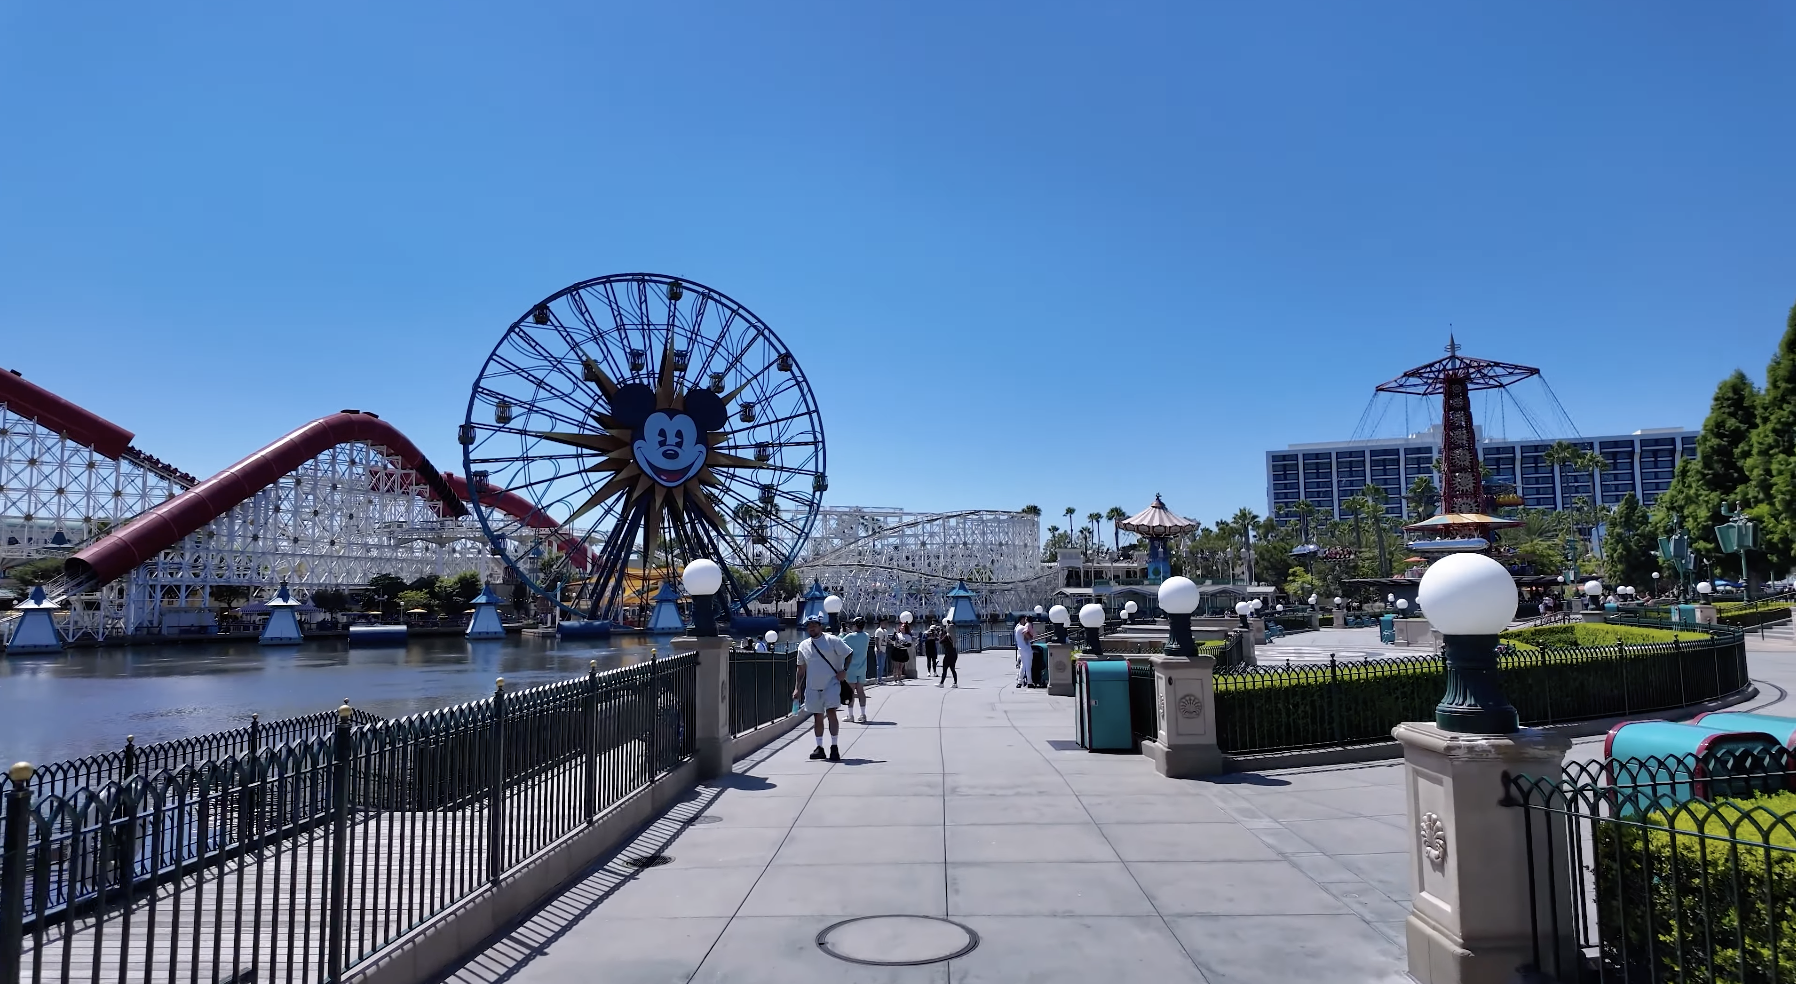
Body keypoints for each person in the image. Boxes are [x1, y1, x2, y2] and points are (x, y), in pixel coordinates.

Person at [792, 614, 853, 761]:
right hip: (813, 687)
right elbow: (801, 669)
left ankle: (834, 747)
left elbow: (849, 653)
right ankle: (819, 748)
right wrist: (797, 688)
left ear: (820, 626)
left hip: (831, 684)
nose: (811, 627)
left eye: (814, 624)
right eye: (809, 625)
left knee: (831, 712)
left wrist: (844, 671)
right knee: (817, 717)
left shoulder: (832, 640)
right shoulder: (803, 646)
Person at [842, 616, 871, 722]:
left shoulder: (849, 637)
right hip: (862, 668)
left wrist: (843, 633)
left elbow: (839, 642)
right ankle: (863, 714)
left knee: (850, 692)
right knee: (861, 691)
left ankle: (851, 715)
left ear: (855, 625)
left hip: (851, 668)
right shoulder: (866, 636)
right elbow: (858, 637)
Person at [888, 619, 914, 685]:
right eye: (901, 627)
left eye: (903, 627)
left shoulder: (908, 636)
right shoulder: (897, 634)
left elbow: (909, 644)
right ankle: (895, 680)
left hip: (903, 650)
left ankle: (899, 679)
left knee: (900, 666)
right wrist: (894, 634)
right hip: (897, 650)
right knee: (895, 666)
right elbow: (892, 639)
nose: (901, 628)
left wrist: (902, 644)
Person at [1014, 614, 1035, 688]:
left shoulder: (1017, 627)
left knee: (1023, 665)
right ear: (1021, 620)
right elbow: (1027, 634)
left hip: (1021, 649)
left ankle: (1019, 681)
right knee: (1028, 665)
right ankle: (1030, 682)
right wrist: (1031, 637)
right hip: (1026, 648)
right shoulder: (1022, 628)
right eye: (1024, 619)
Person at [938, 622, 959, 688]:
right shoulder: (954, 636)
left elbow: (940, 642)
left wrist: (940, 634)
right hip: (954, 653)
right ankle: (955, 683)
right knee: (953, 669)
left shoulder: (947, 636)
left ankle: (941, 683)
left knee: (945, 669)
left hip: (948, 654)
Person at [872, 617, 892, 684]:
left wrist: (892, 642)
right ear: (881, 623)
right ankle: (879, 680)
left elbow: (887, 639)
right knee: (879, 665)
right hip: (879, 650)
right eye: (885, 623)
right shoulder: (878, 631)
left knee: (882, 665)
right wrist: (878, 649)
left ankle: (880, 678)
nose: (886, 624)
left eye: (886, 623)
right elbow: (876, 640)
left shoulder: (885, 631)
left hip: (884, 649)